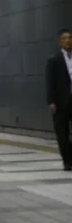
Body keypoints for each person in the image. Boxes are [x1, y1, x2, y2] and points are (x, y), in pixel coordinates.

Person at [46, 29, 72, 171]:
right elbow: (49, 82)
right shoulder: (54, 60)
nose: (68, 40)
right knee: (62, 134)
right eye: (65, 38)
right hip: (61, 103)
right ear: (60, 42)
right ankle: (67, 161)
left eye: (70, 38)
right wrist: (51, 102)